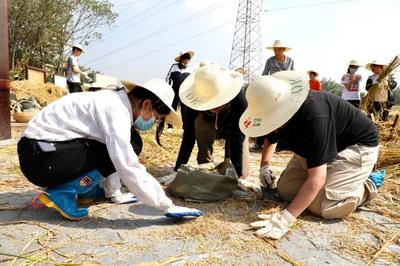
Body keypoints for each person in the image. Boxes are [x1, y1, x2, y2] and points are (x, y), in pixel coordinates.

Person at [18, 78, 203, 220]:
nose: (153, 122)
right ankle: (63, 192)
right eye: (155, 117)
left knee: (127, 142)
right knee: (131, 145)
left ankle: (83, 189)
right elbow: (125, 162)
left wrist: (114, 193)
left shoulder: (114, 101)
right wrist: (165, 204)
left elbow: (111, 149)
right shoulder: (116, 110)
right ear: (147, 104)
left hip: (39, 152)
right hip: (41, 157)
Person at [240, 71, 380, 239]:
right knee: (286, 190)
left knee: (324, 206)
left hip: (355, 146)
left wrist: (285, 218)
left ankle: (368, 184)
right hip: (321, 147)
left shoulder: (314, 117)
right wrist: (264, 166)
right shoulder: (275, 108)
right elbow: (271, 139)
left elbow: (317, 178)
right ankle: (339, 179)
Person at [174, 63, 247, 177]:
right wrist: (177, 170)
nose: (215, 104)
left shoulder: (238, 98)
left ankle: (230, 165)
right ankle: (205, 165)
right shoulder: (194, 102)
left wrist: (237, 172)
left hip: (232, 126)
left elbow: (238, 135)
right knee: (200, 123)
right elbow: (188, 137)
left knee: (243, 173)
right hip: (208, 125)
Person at [165, 50, 194, 129]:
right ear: (181, 59)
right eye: (185, 58)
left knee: (185, 110)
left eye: (188, 59)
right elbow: (168, 78)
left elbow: (192, 81)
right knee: (173, 108)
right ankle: (170, 126)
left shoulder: (191, 69)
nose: (186, 60)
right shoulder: (174, 67)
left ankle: (185, 127)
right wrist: (168, 89)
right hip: (174, 91)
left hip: (185, 93)